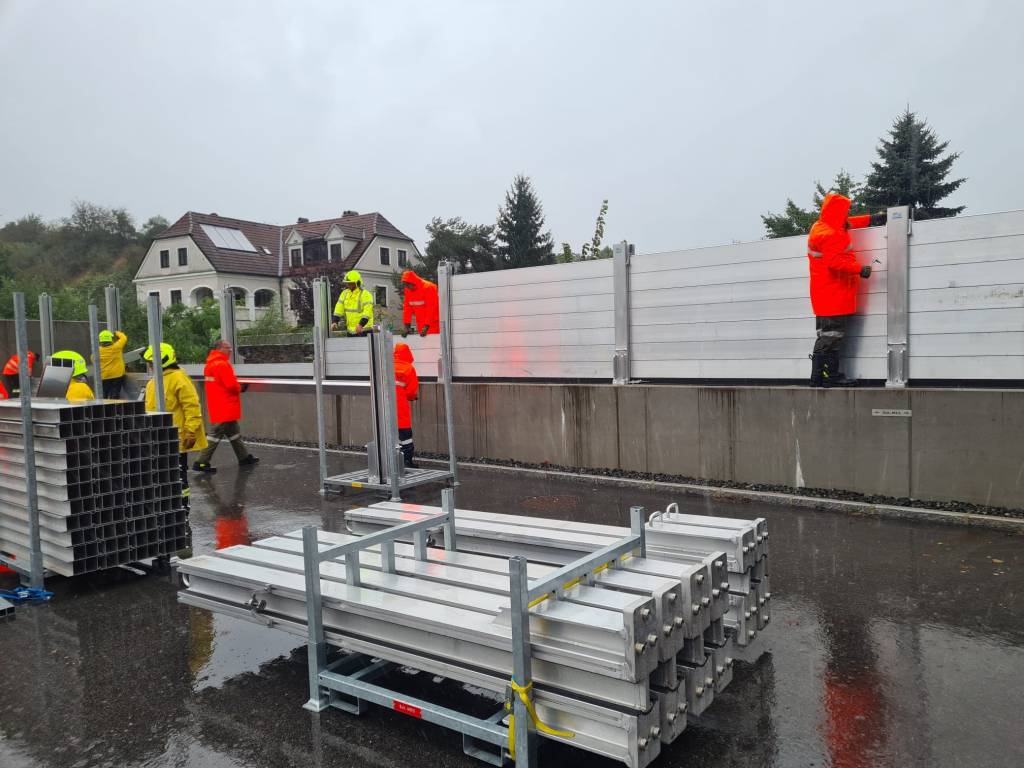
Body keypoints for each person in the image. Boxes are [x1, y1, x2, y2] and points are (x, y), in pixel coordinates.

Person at [807, 194, 886, 387]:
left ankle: (821, 377)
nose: (847, 214)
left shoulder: (822, 226)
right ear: (837, 213)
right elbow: (834, 262)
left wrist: (872, 219)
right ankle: (828, 378)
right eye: (845, 211)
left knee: (828, 336)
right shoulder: (830, 234)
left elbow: (850, 223)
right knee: (831, 337)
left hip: (826, 293)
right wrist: (860, 269)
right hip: (832, 294)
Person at [144, 342, 207, 509]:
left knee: (178, 476)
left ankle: (182, 509)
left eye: (150, 363)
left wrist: (191, 431)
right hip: (157, 438)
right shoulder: (154, 382)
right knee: (162, 476)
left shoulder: (178, 378)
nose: (149, 366)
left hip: (175, 439)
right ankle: (169, 508)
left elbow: (192, 406)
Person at [193, 339, 259, 473]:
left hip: (218, 405)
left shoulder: (210, 365)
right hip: (225, 406)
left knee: (234, 433)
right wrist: (241, 387)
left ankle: (244, 457)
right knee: (215, 435)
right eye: (227, 348)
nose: (230, 350)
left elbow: (218, 384)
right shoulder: (222, 365)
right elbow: (231, 385)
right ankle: (200, 462)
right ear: (219, 349)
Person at [393, 342, 419, 468]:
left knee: (391, 434)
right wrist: (411, 397)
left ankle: (392, 461)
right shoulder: (409, 368)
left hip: (385, 406)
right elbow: (411, 391)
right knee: (405, 435)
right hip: (401, 406)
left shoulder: (386, 366)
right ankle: (407, 461)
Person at [331, 270, 374, 335]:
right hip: (350, 331)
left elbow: (367, 312)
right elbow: (338, 309)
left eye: (350, 283)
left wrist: (361, 324)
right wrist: (335, 321)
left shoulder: (366, 294)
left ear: (357, 283)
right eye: (347, 283)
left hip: (364, 330)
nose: (348, 285)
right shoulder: (344, 293)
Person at [401, 270, 440, 336]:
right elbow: (407, 308)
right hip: (421, 325)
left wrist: (427, 326)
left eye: (407, 285)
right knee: (424, 342)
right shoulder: (408, 290)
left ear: (412, 282)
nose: (406, 287)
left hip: (433, 324)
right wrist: (407, 325)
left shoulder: (428, 287)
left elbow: (432, 308)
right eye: (405, 286)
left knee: (433, 342)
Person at [97, 329, 128, 398]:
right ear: (111, 339)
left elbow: (93, 359)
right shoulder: (117, 347)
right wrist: (117, 332)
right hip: (117, 375)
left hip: (105, 376)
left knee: (104, 394)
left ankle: (104, 404)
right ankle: (114, 403)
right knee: (115, 394)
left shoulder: (98, 350)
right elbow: (124, 338)